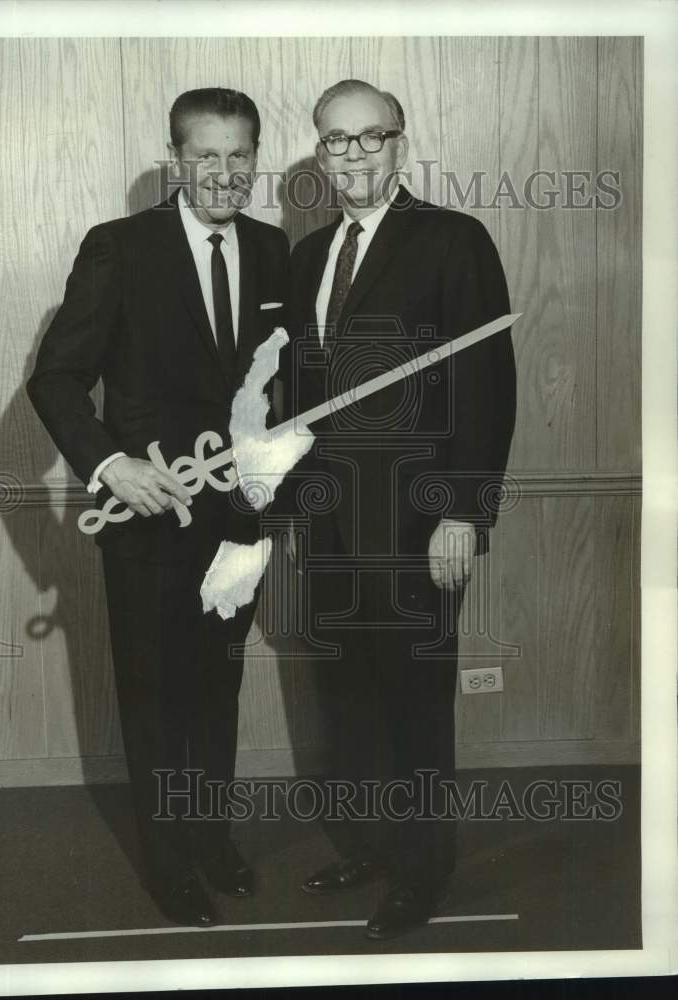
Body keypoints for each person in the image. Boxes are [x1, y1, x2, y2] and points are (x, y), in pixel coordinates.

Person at [26, 88, 289, 927]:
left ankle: (212, 839)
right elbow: (57, 377)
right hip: (145, 525)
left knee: (217, 686)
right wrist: (109, 464)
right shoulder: (119, 248)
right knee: (154, 696)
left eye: (238, 155)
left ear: (255, 159)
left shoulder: (275, 249)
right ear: (176, 159)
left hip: (239, 523)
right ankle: (169, 862)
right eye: (205, 155)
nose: (223, 173)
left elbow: (281, 387)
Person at [281, 79, 516, 940]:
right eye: (334, 141)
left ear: (398, 141)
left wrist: (464, 512)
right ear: (319, 152)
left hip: (421, 526)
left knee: (414, 704)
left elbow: (486, 388)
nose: (352, 155)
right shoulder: (305, 258)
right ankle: (369, 846)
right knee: (346, 699)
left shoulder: (454, 241)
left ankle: (420, 873)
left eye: (368, 137)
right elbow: (299, 399)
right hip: (330, 528)